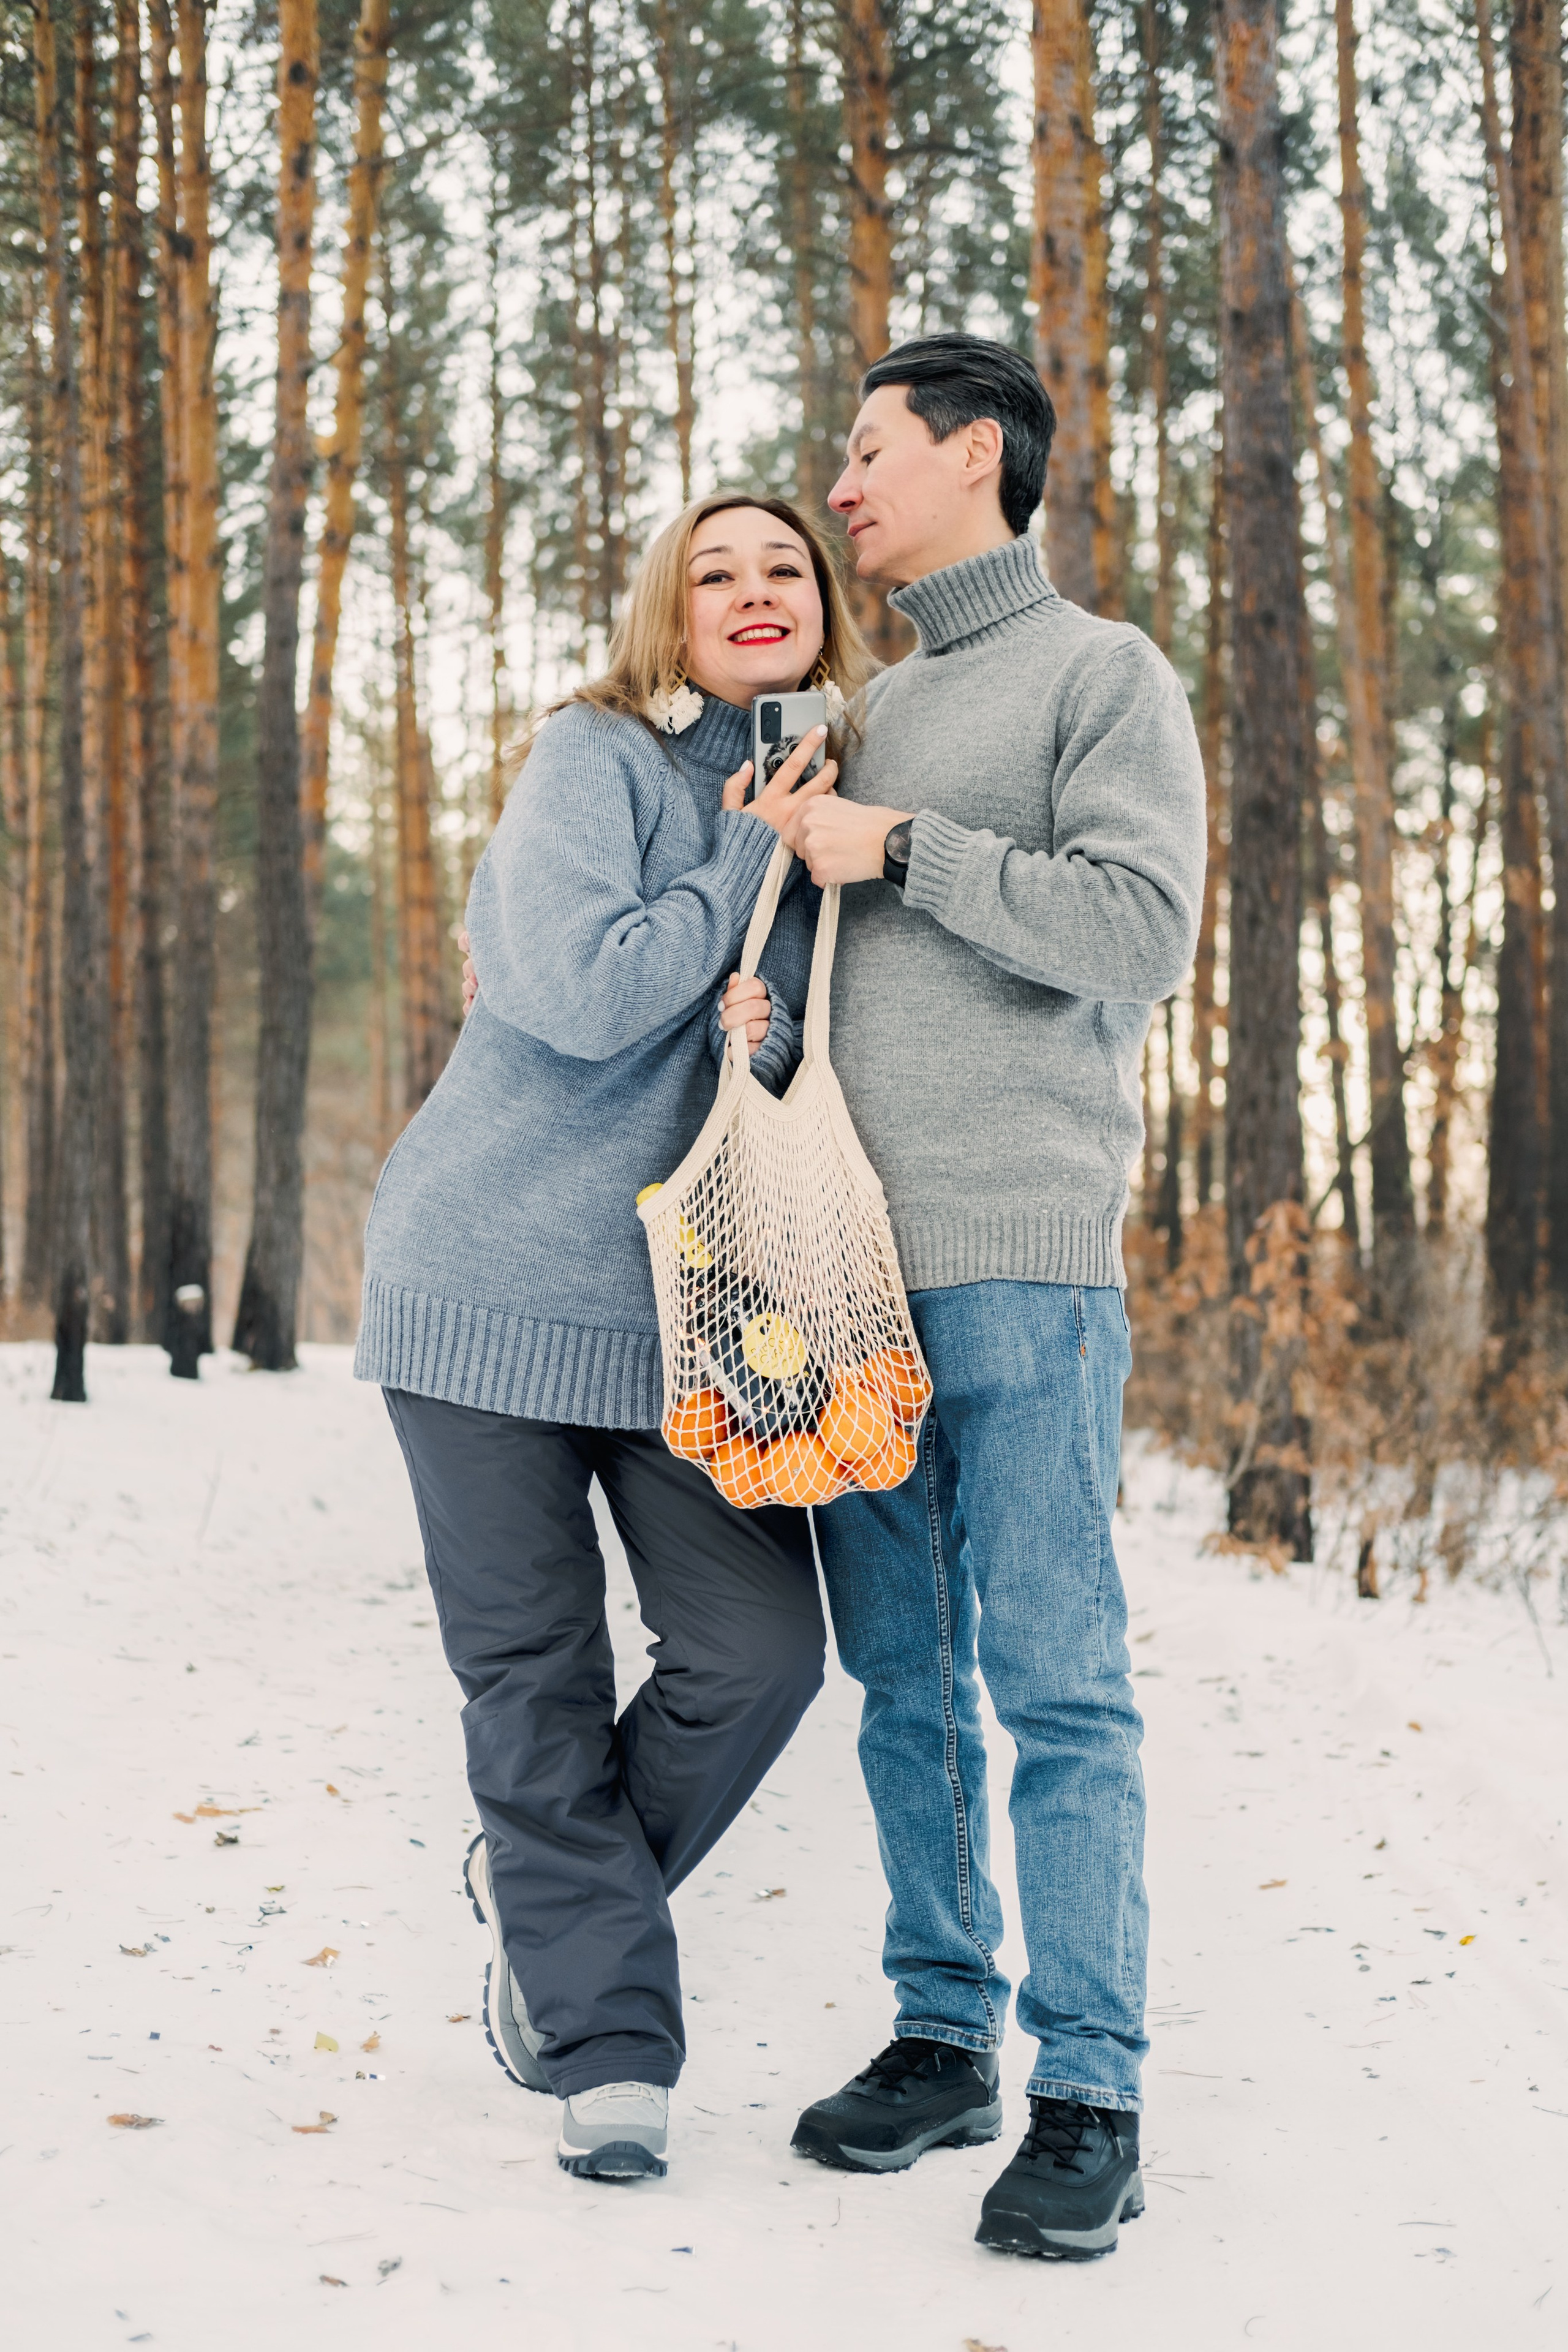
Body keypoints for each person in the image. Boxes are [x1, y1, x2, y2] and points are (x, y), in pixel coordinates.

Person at [355, 492, 875, 2183]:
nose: (752, 588)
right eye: (712, 568)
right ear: (669, 608)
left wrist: (775, 1017)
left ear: (822, 607)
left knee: (759, 1653)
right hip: (486, 1287)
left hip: (694, 1319)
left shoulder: (851, 801)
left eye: (783, 565)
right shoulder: (597, 760)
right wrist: (745, 849)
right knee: (537, 1679)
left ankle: (548, 1904)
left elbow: (801, 1054)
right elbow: (573, 995)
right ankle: (610, 2048)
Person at [771, 334, 1208, 2261]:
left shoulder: (1101, 675)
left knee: (1058, 1686)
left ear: (972, 455)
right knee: (903, 1686)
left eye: (867, 454)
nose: (840, 490)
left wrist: (910, 851)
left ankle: (1089, 2087)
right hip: (847, 1273)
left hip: (1023, 1261)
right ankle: (943, 2035)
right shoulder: (865, 709)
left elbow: (1140, 928)